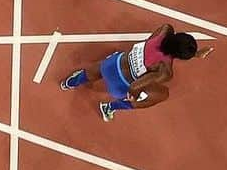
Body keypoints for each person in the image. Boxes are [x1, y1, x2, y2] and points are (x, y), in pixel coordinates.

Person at [59, 24, 210, 123]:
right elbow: (135, 86)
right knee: (162, 94)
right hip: (118, 86)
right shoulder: (165, 70)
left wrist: (194, 53)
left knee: (99, 68)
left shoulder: (165, 30)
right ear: (178, 57)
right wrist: (135, 98)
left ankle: (71, 82)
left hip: (112, 63)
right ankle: (110, 107)